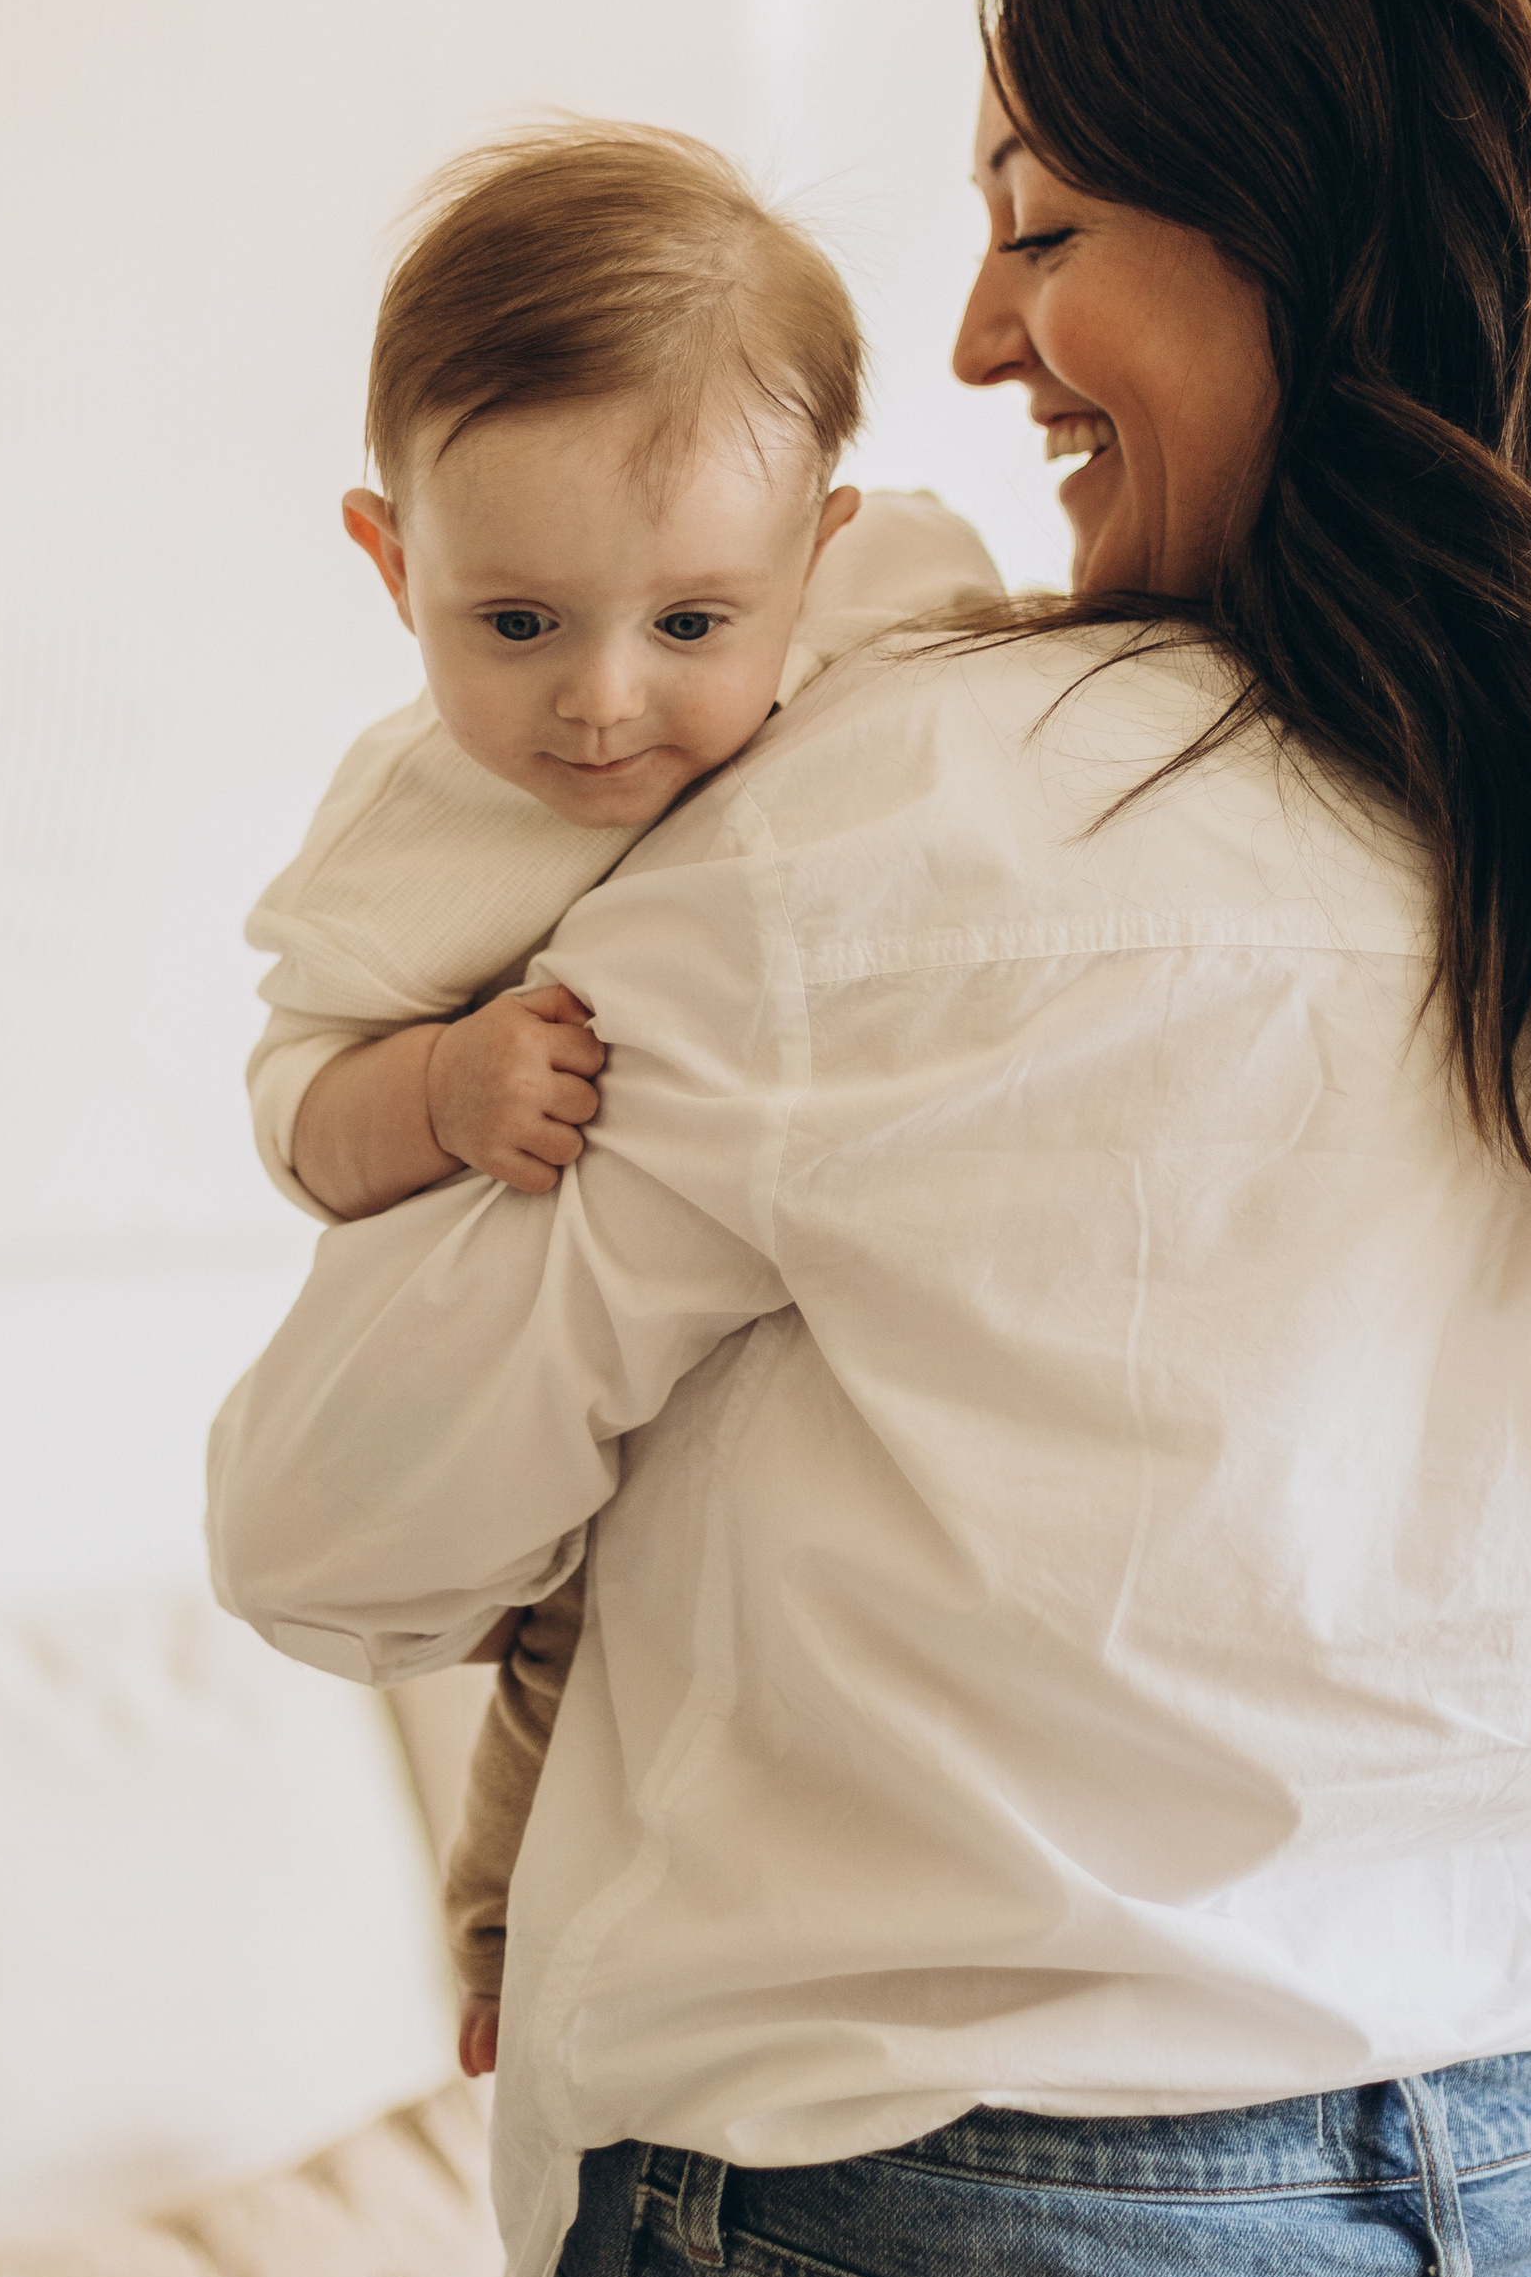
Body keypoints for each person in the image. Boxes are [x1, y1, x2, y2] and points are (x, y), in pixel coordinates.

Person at [210, 0, 1531, 2277]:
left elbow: (325, 1532)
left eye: (1045, 225)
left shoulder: (925, 811)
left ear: (1304, 243)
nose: (978, 338)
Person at [245, 122, 999, 2076]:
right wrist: (438, 1084)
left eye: (689, 626)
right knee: (570, 1678)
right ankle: (504, 1952)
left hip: (851, 1342)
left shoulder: (907, 601)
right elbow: (299, 1109)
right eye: (513, 625)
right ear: (390, 561)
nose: (597, 700)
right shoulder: (405, 837)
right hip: (569, 1393)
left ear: (817, 552)